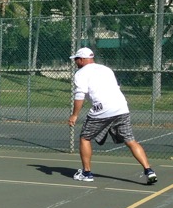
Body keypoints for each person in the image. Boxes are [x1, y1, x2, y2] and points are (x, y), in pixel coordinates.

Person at [67, 47, 157, 185]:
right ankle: (149, 170)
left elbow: (79, 95)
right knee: (130, 140)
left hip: (103, 110)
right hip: (121, 107)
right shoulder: (106, 69)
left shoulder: (80, 73)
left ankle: (86, 173)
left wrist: (74, 115)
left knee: (85, 138)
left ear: (82, 59)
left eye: (76, 59)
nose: (75, 62)